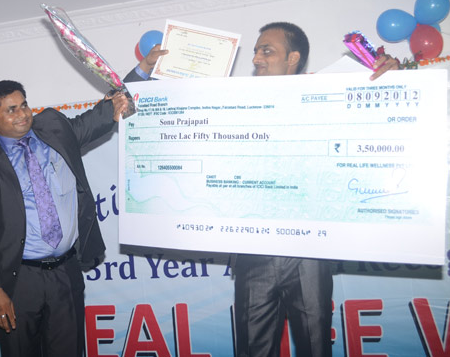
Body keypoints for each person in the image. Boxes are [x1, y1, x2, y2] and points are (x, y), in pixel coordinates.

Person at [125, 22, 399, 357]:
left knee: (316, 348)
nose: (256, 58)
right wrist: (144, 71)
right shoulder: (229, 103)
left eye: (266, 50)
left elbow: (387, 111)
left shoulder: (328, 97)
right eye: (256, 51)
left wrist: (394, 74)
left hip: (309, 252)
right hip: (252, 250)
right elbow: (137, 105)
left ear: (293, 58)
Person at [0, 80, 128, 356]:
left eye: (24, 105)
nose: (23, 114)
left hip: (66, 272)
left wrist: (142, 70)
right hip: (18, 280)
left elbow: (98, 117)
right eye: (11, 110)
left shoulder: (53, 128)